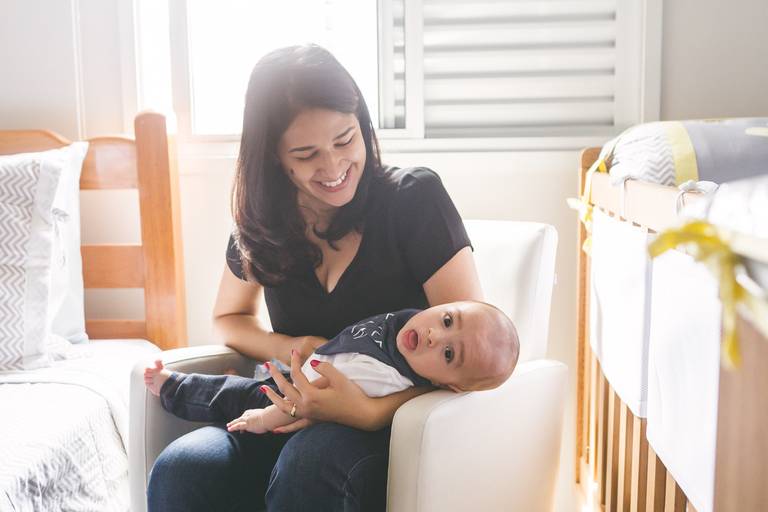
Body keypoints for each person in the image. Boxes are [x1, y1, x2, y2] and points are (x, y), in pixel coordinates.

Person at [146, 44, 484, 512]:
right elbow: (229, 316)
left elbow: (469, 360)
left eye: (345, 140)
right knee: (183, 467)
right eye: (306, 154)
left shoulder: (414, 199)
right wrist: (293, 344)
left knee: (310, 461)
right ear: (273, 157)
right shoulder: (262, 224)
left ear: (362, 124)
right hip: (284, 415)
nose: (333, 167)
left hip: (390, 434)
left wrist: (366, 412)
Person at [144, 301, 519, 435]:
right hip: (297, 367)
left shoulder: (385, 376)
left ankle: (174, 388)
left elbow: (310, 403)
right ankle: (240, 383)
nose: (436, 334)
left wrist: (264, 418)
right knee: (248, 384)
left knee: (232, 398)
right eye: (449, 319)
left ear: (445, 384)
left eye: (450, 355)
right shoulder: (412, 325)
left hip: (296, 398)